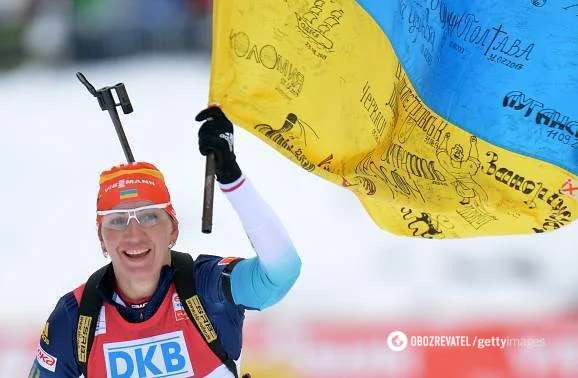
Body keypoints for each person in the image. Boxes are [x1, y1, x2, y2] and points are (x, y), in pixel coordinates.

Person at [29, 106, 302, 377]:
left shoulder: (207, 289)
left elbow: (280, 272)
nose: (134, 234)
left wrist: (232, 178)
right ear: (101, 239)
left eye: (148, 217)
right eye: (117, 221)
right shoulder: (76, 318)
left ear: (173, 229)